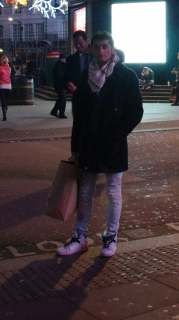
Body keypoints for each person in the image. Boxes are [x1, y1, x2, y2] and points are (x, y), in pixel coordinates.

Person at [57, 31, 143, 259]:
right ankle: (80, 237)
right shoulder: (87, 75)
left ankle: (110, 237)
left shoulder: (126, 75)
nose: (102, 51)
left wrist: (117, 133)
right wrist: (75, 145)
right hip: (89, 143)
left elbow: (136, 111)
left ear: (112, 48)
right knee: (85, 192)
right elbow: (80, 114)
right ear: (92, 49)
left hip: (113, 143)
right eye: (97, 47)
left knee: (113, 191)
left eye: (105, 46)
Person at [64, 30, 92, 96]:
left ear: (86, 41)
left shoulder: (97, 55)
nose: (78, 46)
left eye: (80, 43)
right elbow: (66, 78)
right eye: (76, 43)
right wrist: (69, 84)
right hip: (79, 97)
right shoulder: (70, 60)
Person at [0, 56, 12, 121]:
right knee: (6, 100)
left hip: (2, 86)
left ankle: (4, 114)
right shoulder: (9, 68)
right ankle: (6, 110)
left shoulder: (0, 68)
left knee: (3, 100)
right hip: (8, 86)